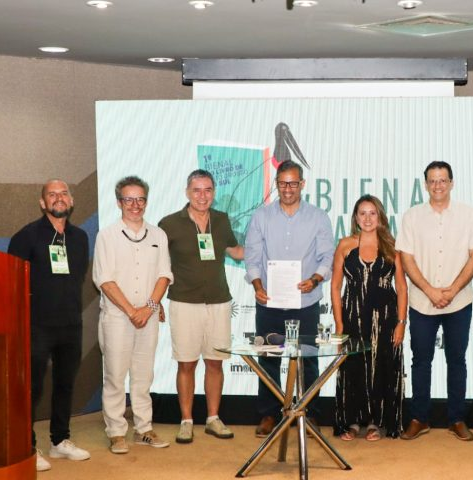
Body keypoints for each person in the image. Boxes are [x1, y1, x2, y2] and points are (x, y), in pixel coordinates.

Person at [244, 160, 334, 437]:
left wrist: (315, 280)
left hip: (306, 302)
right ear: (276, 184)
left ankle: (310, 413)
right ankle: (269, 414)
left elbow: (327, 257)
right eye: (282, 183)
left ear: (302, 184)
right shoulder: (261, 216)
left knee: (309, 360)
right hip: (269, 301)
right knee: (268, 358)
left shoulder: (318, 217)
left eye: (293, 183)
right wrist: (257, 285)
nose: (287, 189)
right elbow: (252, 257)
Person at [396, 161, 473, 442]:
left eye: (443, 180)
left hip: (460, 301)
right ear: (426, 185)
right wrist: (430, 290)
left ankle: (456, 419)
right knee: (421, 361)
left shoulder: (468, 214)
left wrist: (453, 290)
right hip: (422, 301)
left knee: (457, 360)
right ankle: (419, 418)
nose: (438, 186)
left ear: (451, 183)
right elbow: (406, 259)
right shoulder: (411, 217)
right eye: (432, 181)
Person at [8, 179, 91, 471]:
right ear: (43, 203)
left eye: (64, 193)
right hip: (36, 326)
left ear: (71, 200)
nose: (59, 198)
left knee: (65, 384)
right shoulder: (26, 236)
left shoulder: (80, 237)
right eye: (52, 194)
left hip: (71, 324)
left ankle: (60, 440)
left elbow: (78, 277)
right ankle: (28, 447)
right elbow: (13, 285)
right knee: (31, 389)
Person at [159, 169, 244, 444]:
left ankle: (212, 419)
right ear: (187, 192)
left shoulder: (221, 220)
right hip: (184, 303)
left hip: (219, 302)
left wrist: (267, 245)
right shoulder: (169, 224)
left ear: (214, 193)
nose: (202, 196)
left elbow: (237, 252)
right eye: (196, 190)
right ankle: (186, 421)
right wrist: (153, 300)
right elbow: (157, 264)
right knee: (186, 364)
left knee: (215, 363)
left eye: (208, 190)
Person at [93, 176, 173, 453]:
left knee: (143, 376)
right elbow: (104, 280)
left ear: (146, 202)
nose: (135, 205)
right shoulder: (107, 235)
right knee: (115, 376)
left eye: (140, 199)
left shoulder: (158, 235)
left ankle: (143, 429)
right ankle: (116, 432)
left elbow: (164, 275)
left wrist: (148, 308)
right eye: (129, 199)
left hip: (147, 317)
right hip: (117, 317)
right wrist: (131, 311)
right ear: (119, 202)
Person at [331, 195, 408, 440]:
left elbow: (402, 287)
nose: (367, 218)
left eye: (372, 213)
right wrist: (339, 325)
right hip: (352, 318)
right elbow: (335, 286)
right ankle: (353, 422)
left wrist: (401, 323)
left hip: (385, 319)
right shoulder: (345, 245)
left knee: (381, 368)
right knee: (353, 368)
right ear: (355, 217)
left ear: (380, 217)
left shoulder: (392, 246)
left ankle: (376, 422)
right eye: (362, 213)